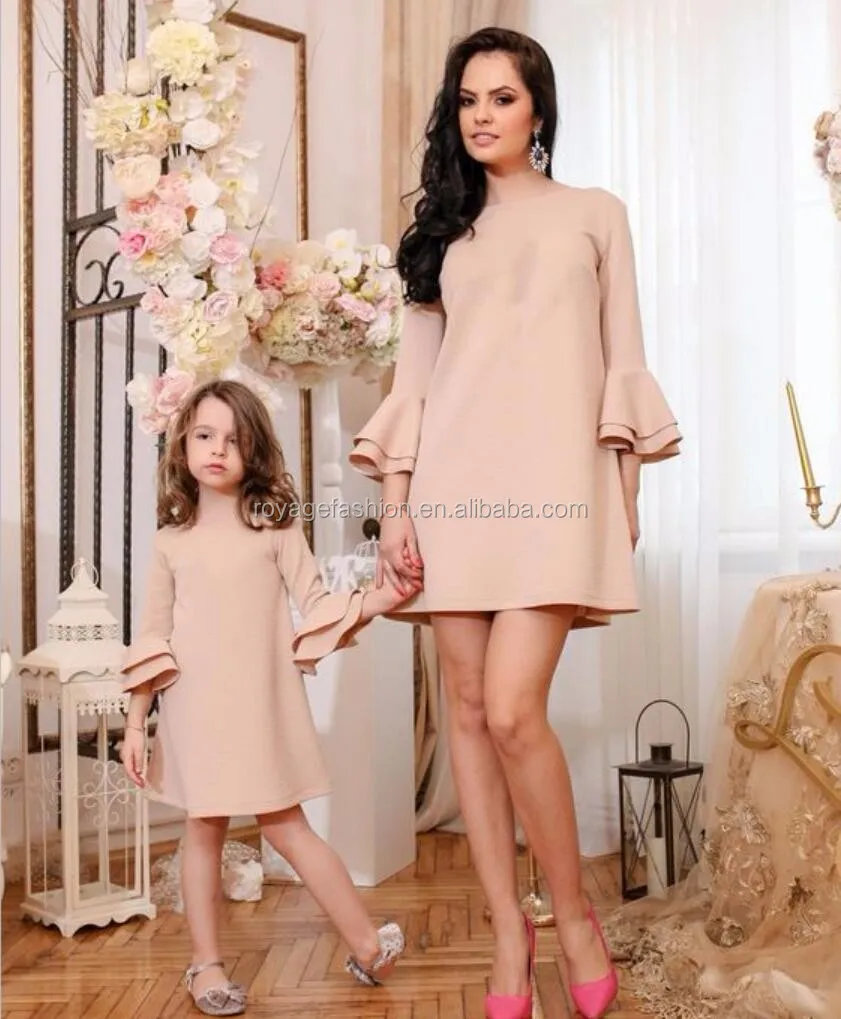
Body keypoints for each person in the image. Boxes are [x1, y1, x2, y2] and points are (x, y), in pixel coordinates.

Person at [349, 26, 682, 1019]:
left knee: (509, 709)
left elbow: (623, 354)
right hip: (453, 487)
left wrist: (624, 491)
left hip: (557, 485)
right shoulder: (441, 237)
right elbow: (415, 385)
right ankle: (507, 928)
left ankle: (570, 912)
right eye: (467, 99)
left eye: (501, 97)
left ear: (538, 109)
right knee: (465, 709)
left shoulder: (595, 213)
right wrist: (395, 510)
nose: (482, 114)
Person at [119, 379, 420, 1016]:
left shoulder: (275, 528)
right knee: (203, 828)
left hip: (261, 706)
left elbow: (316, 603)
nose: (217, 449)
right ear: (183, 445)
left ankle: (367, 945)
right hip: (194, 708)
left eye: (233, 439)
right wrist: (136, 722)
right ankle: (206, 966)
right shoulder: (171, 542)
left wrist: (376, 600)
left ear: (253, 451)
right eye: (205, 435)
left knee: (287, 827)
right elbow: (153, 634)